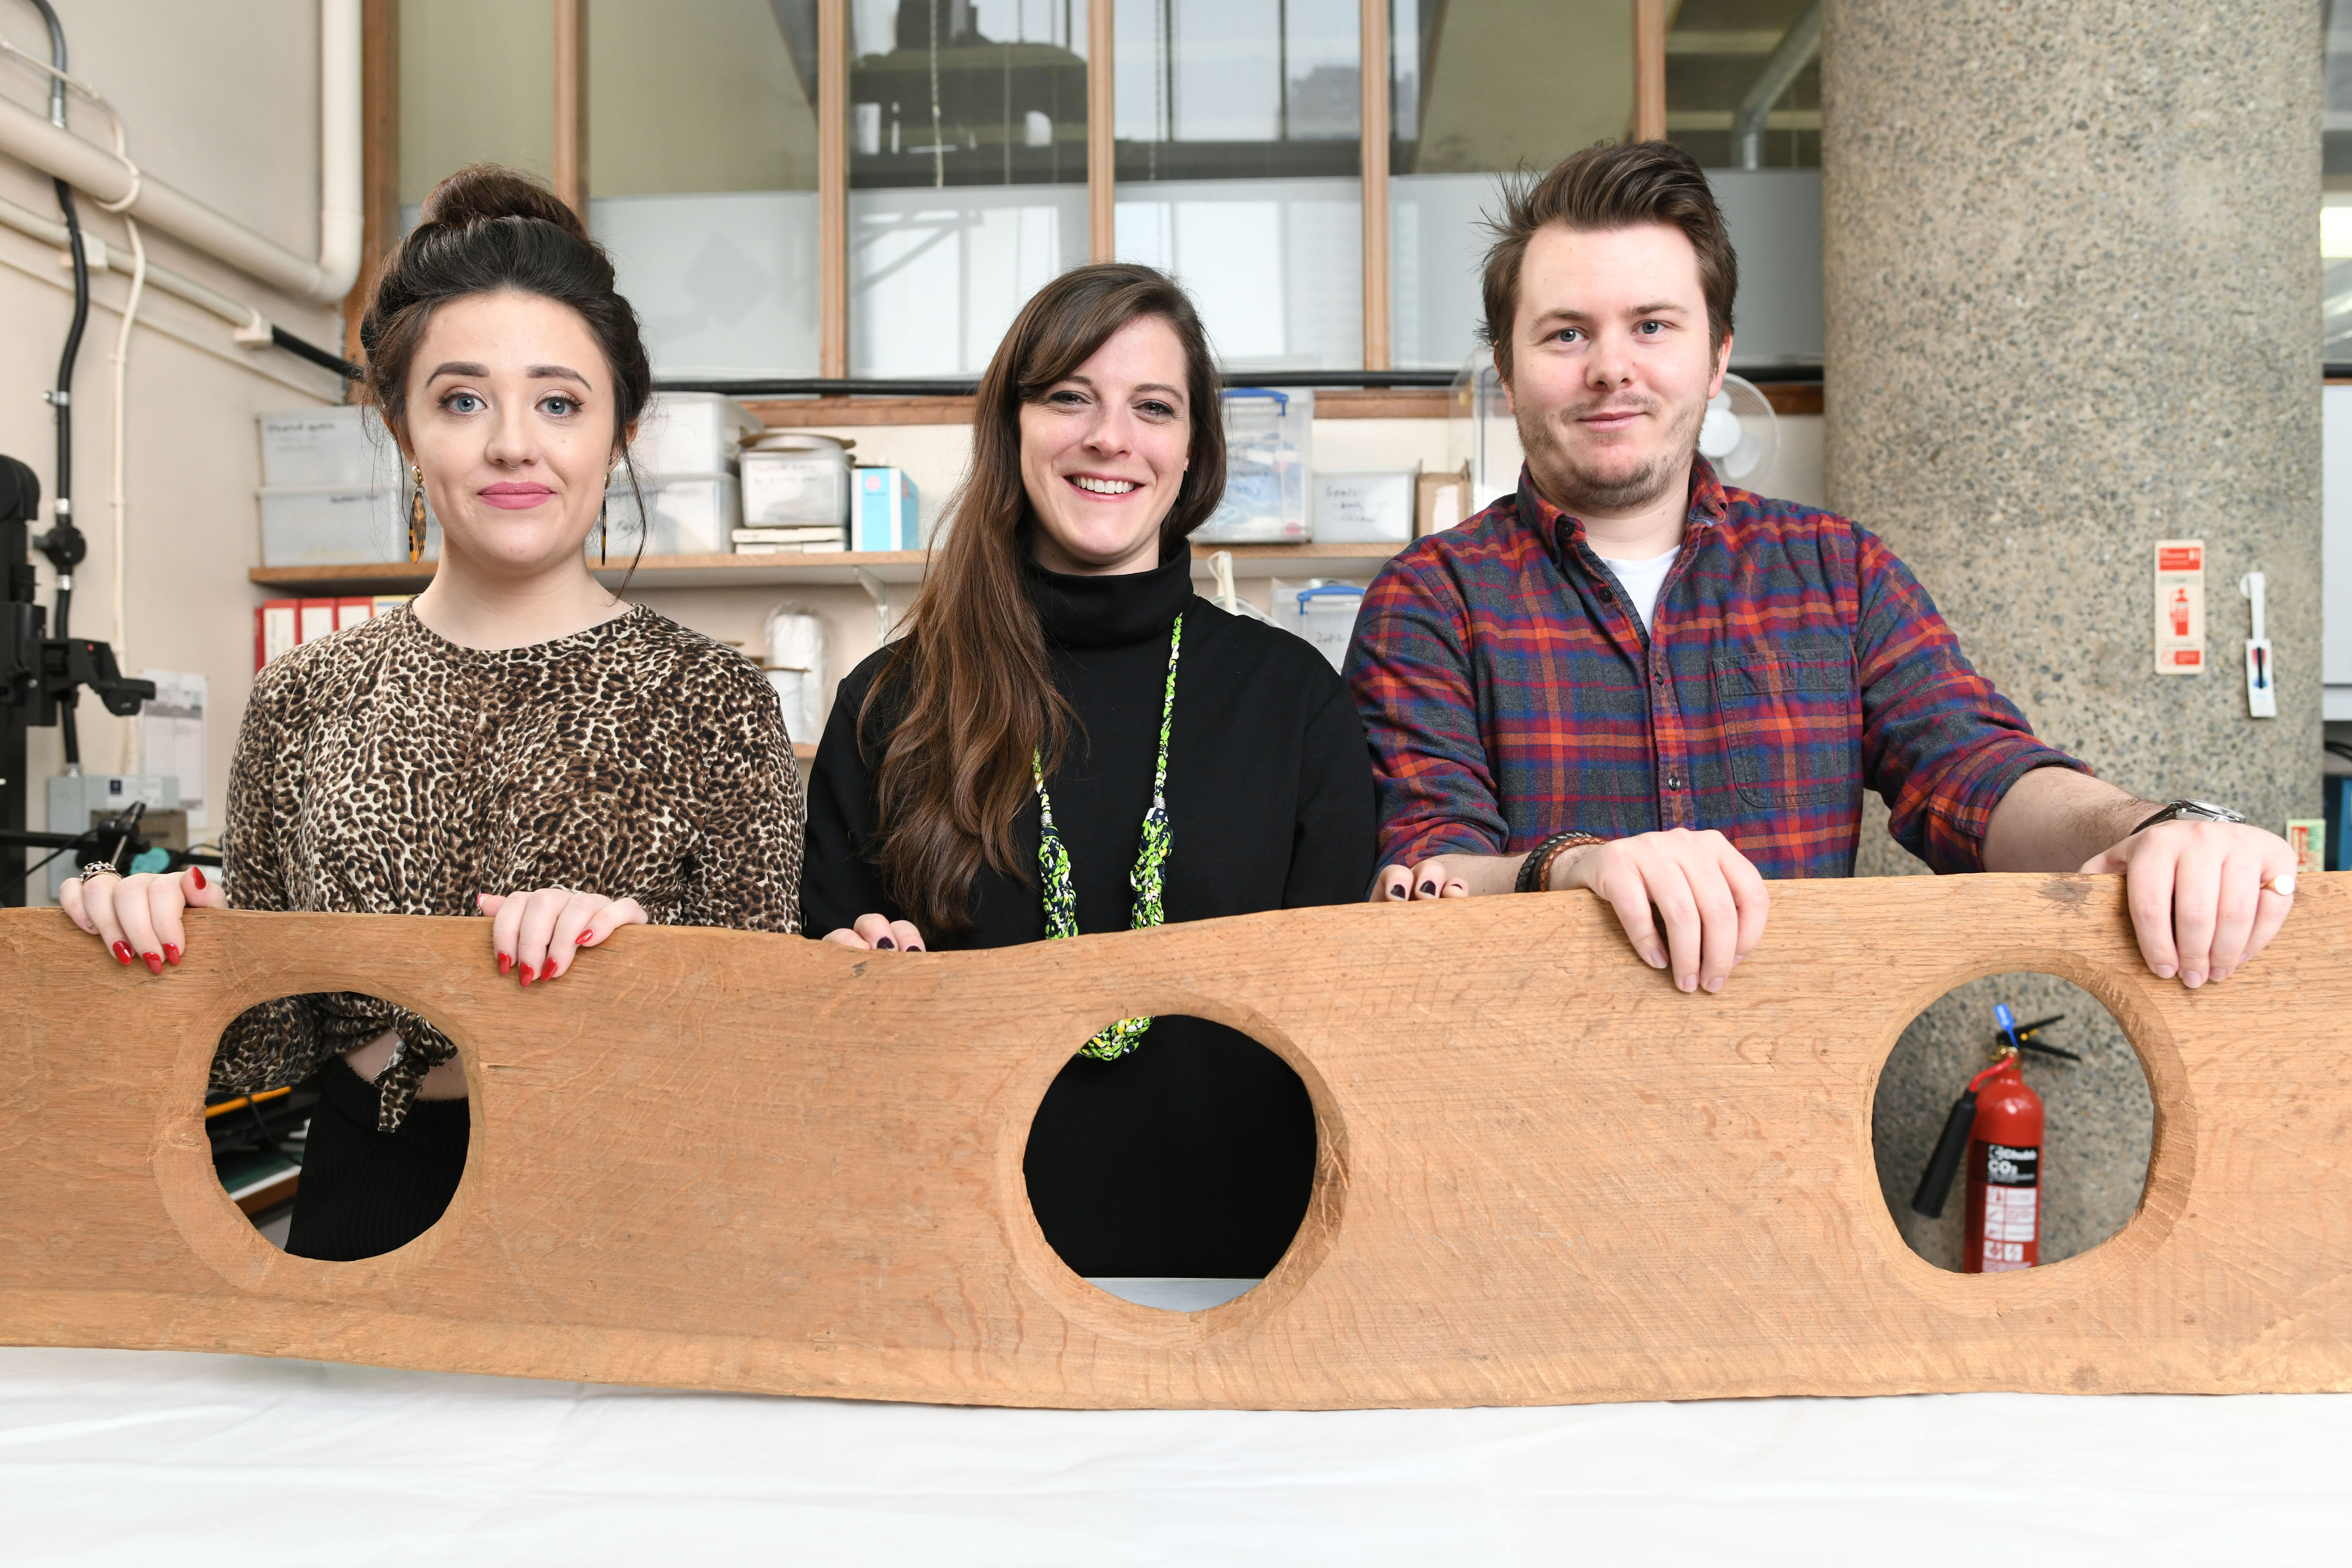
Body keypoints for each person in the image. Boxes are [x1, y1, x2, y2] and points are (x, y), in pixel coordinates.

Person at [59, 165, 804, 1260]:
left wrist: (643, 968)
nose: (513, 443)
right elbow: (258, 1036)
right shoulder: (303, 695)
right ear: (404, 430)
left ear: (621, 431)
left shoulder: (715, 700)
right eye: (462, 398)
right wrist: (154, 936)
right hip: (362, 1194)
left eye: (559, 400)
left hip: (627, 1201)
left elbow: (772, 1047)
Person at [1347, 140, 2297, 991]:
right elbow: (1429, 866)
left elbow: (1980, 769)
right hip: (1521, 1124)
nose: (1609, 368)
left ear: (1717, 358)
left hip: (1795, 1125)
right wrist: (1577, 865)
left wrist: (2152, 826)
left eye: (1651, 325)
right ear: (1507, 373)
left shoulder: (1837, 575)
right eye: (1565, 333)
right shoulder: (1428, 600)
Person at [801, 263, 1373, 1281]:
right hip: (955, 1278)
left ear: (1191, 448)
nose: (1110, 436)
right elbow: (827, 1039)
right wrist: (850, 976)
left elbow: (1348, 1031)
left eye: (1152, 406)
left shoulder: (1294, 702)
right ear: (1011, 427)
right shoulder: (889, 705)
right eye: (1069, 396)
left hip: (1248, 1288)